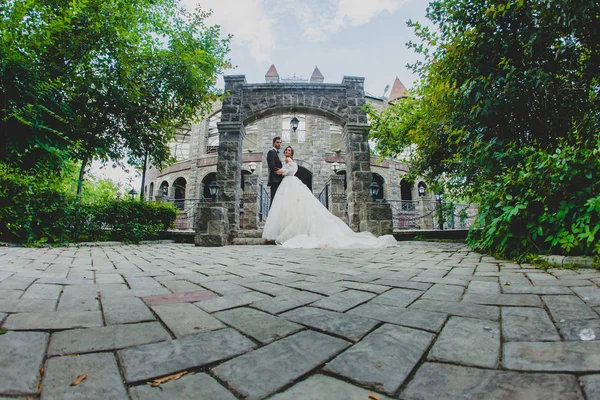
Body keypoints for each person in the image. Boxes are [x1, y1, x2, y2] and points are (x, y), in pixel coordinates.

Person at [262, 146, 397, 249]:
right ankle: (287, 231)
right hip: (290, 183)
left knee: (289, 206)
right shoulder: (289, 160)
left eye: (289, 150)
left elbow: (288, 170)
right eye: (286, 150)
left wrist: (280, 171)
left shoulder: (288, 160)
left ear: (292, 153)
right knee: (293, 207)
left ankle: (285, 232)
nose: (287, 151)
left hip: (289, 183)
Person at [266, 137, 283, 206]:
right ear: (273, 143)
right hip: (275, 180)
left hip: (278, 180)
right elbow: (272, 167)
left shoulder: (276, 153)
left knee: (277, 200)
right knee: (274, 200)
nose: (279, 144)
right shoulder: (271, 152)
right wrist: (282, 171)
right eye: (277, 142)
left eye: (280, 143)